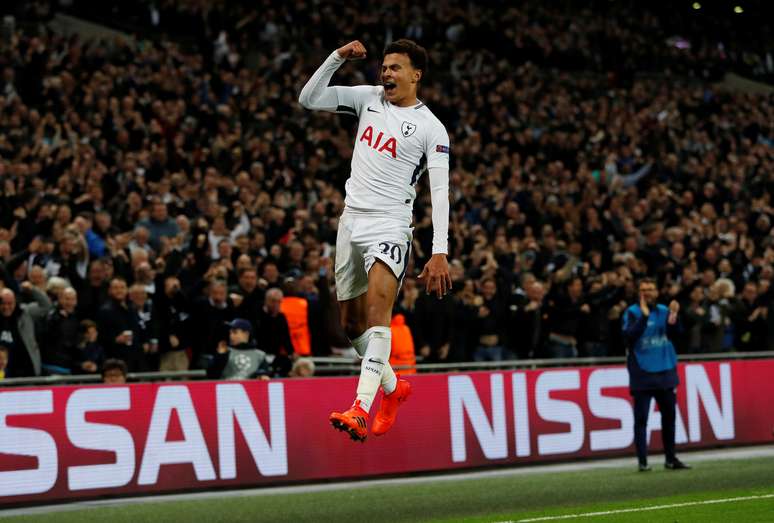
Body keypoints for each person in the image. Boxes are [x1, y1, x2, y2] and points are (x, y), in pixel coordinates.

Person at [299, 38, 451, 442]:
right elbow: (309, 99)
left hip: (390, 224)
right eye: (384, 67)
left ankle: (360, 409)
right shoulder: (367, 99)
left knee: (377, 316)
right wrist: (335, 58)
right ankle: (393, 388)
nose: (386, 74)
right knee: (351, 327)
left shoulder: (431, 128)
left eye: (396, 68)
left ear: (416, 75)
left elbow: (441, 191)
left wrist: (439, 252)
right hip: (351, 222)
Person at [622, 277, 691, 472]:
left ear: (657, 291)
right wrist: (643, 318)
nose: (647, 292)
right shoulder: (632, 313)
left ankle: (671, 459)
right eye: (643, 289)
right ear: (638, 293)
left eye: (651, 289)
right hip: (642, 373)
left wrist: (674, 316)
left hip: (665, 371)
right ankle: (643, 462)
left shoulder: (664, 310)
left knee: (669, 417)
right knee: (642, 419)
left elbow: (675, 334)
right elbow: (628, 338)